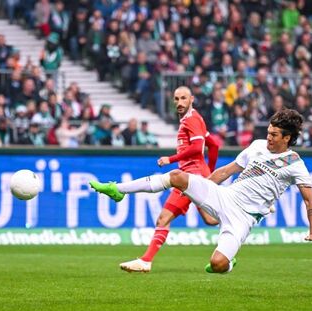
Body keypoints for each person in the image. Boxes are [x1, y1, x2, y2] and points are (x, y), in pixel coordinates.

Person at [90, 107, 312, 273]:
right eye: (268, 132)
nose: (268, 138)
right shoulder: (256, 146)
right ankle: (117, 189)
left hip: (243, 219)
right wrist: (201, 188)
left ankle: (229, 262)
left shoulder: (295, 164)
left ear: (287, 138)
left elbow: (310, 202)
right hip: (225, 196)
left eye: (274, 135)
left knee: (217, 264)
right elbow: (226, 172)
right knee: (177, 177)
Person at [91, 86, 220, 272]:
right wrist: (210, 174)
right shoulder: (195, 118)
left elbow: (197, 146)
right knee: (210, 219)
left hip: (189, 176)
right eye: (176, 99)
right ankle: (248, 213)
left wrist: (172, 159)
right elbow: (214, 145)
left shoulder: (191, 120)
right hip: (195, 174)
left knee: (163, 218)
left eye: (183, 98)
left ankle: (145, 259)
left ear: (191, 98)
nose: (179, 102)